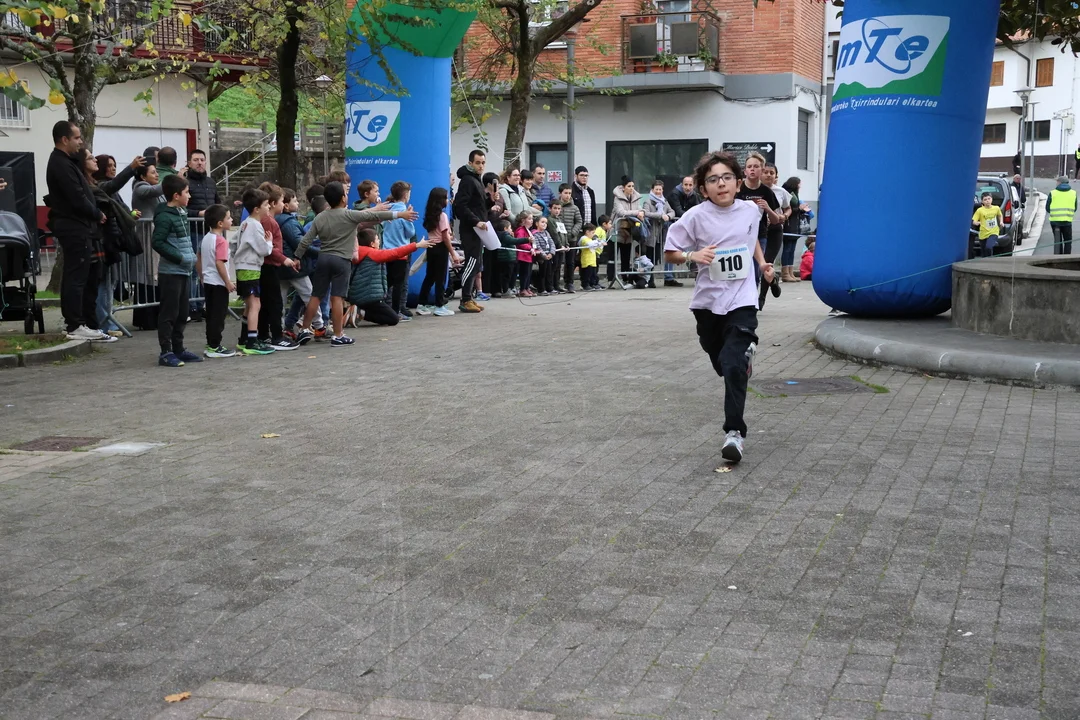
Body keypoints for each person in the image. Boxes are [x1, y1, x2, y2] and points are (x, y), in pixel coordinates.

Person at [663, 150, 775, 464]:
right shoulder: (695, 217)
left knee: (733, 363)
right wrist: (692, 256)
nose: (721, 184)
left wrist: (762, 263)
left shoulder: (751, 211)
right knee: (722, 363)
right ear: (703, 188)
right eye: (713, 180)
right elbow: (670, 251)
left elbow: (750, 239)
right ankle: (742, 361)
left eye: (727, 177)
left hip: (742, 299)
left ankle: (734, 433)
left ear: (738, 183)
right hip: (708, 304)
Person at [294, 181, 414, 346]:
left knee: (316, 296)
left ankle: (304, 329)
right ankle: (338, 335)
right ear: (343, 198)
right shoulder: (349, 215)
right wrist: (400, 215)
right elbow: (373, 216)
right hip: (341, 260)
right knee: (337, 298)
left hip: (323, 259)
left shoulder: (320, 217)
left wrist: (297, 257)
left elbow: (306, 240)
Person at [45, 121, 112, 343]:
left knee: (79, 276)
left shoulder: (65, 162)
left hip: (78, 225)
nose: (80, 142)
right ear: (64, 139)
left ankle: (79, 323)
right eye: (76, 138)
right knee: (76, 277)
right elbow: (76, 196)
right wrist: (96, 213)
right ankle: (75, 324)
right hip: (74, 226)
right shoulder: (60, 164)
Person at [86, 151, 141, 338]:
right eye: (108, 165)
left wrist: (130, 215)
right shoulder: (101, 186)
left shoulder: (110, 190)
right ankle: (104, 322)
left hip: (114, 241)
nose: (113, 168)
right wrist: (131, 169)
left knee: (111, 282)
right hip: (105, 241)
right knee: (105, 283)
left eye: (114, 165)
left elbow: (122, 208)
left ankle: (107, 320)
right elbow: (113, 185)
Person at [152, 174, 199, 367]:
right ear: (176, 195)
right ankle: (166, 351)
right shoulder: (165, 217)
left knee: (182, 312)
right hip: (171, 272)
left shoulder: (181, 212)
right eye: (187, 192)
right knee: (169, 313)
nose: (190, 196)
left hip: (184, 271)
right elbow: (157, 242)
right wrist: (180, 257)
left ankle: (178, 348)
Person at [348, 229, 437, 325]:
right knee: (393, 319)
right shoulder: (373, 254)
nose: (379, 241)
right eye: (377, 239)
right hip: (370, 297)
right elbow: (395, 253)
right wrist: (417, 245)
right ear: (372, 244)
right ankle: (360, 313)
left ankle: (355, 312)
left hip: (357, 296)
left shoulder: (357, 253)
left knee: (384, 315)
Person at [736, 152, 783, 308]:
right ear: (745, 171)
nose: (752, 169)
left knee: (756, 270)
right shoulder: (737, 189)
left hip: (759, 235)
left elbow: (776, 220)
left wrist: (768, 208)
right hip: (738, 235)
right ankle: (739, 301)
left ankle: (751, 303)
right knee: (741, 269)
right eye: (749, 166)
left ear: (761, 170)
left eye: (756, 166)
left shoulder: (766, 191)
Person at [256, 184, 300, 349]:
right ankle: (276, 336)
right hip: (269, 265)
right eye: (281, 201)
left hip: (268, 265)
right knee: (274, 303)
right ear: (273, 203)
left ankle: (264, 335)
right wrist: (284, 259)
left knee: (267, 303)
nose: (283, 204)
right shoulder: (268, 221)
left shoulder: (269, 220)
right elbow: (269, 247)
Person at [233, 188, 275, 355]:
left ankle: (244, 338)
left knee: (249, 305)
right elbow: (264, 249)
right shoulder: (255, 225)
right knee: (255, 305)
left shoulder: (245, 223)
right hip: (250, 267)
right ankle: (252, 341)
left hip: (243, 267)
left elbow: (233, 243)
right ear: (257, 209)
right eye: (266, 204)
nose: (269, 207)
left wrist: (237, 258)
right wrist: (269, 242)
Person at [278, 188, 325, 336]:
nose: (298, 203)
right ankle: (319, 325)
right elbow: (300, 243)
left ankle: (280, 329)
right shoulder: (288, 222)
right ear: (286, 205)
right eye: (295, 200)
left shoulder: (282, 220)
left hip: (281, 265)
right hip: (294, 265)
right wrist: (320, 252)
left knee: (280, 299)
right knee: (309, 295)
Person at [452, 150, 490, 314]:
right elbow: (461, 206)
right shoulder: (467, 180)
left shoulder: (477, 179)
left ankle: (469, 297)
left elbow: (478, 205)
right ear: (470, 163)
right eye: (477, 163)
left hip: (478, 229)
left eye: (483, 163)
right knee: (471, 263)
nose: (481, 166)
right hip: (471, 229)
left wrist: (491, 201)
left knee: (476, 264)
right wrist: (476, 221)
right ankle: (465, 299)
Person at [198, 204, 236, 358]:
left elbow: (198, 257)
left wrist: (201, 276)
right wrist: (228, 281)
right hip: (218, 283)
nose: (231, 220)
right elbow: (220, 262)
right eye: (228, 217)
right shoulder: (221, 241)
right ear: (220, 223)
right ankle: (215, 346)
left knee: (211, 313)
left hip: (208, 281)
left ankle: (211, 343)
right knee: (218, 316)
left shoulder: (206, 238)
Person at [417, 187, 461, 316]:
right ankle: (439, 305)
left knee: (430, 276)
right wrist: (453, 253)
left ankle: (421, 303)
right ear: (440, 200)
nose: (447, 200)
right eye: (446, 198)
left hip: (431, 247)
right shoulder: (443, 216)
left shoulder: (430, 215)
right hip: (440, 248)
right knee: (441, 278)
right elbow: (445, 237)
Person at [382, 181, 417, 320]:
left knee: (388, 281)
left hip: (386, 251)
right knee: (399, 284)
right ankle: (396, 311)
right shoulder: (405, 212)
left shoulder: (387, 210)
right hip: (401, 252)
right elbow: (410, 233)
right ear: (405, 195)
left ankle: (383, 306)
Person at [611, 176, 646, 288]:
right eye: (629, 186)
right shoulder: (617, 198)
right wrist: (637, 213)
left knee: (626, 257)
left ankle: (625, 278)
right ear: (623, 187)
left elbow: (640, 209)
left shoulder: (636, 197)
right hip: (617, 230)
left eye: (633, 186)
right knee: (613, 257)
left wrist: (642, 212)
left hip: (628, 231)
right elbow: (621, 212)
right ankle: (611, 279)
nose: (631, 188)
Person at [643, 179, 676, 288]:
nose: (658, 191)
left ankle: (651, 278)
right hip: (651, 234)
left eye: (660, 189)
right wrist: (660, 215)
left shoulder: (664, 201)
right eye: (656, 189)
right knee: (649, 257)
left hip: (660, 234)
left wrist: (668, 216)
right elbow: (646, 213)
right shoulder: (648, 201)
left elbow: (672, 211)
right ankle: (649, 279)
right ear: (652, 189)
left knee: (656, 257)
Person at [780, 177, 810, 282]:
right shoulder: (787, 194)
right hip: (788, 224)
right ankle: (785, 273)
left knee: (792, 249)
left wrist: (802, 210)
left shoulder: (795, 194)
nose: (800, 186)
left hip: (795, 224)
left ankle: (790, 272)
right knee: (787, 249)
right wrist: (799, 208)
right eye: (799, 184)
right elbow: (789, 209)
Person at [557, 184, 582, 293]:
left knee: (570, 262)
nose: (568, 195)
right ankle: (556, 282)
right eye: (565, 193)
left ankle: (569, 283)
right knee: (558, 262)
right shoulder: (557, 206)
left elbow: (579, 221)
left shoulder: (574, 208)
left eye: (569, 193)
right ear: (560, 193)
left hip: (571, 239)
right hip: (559, 239)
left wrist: (573, 232)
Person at [1047, 175, 1076, 255]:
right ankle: (1066, 258)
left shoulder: (1053, 193)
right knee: (1068, 241)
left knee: (1058, 241)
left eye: (1057, 181)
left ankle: (1058, 257)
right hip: (1067, 221)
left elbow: (1047, 208)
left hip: (1055, 221)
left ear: (1060, 182)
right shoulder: (1073, 193)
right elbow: (1075, 207)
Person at [972, 192, 1004, 257]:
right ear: (982, 201)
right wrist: (976, 223)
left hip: (994, 232)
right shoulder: (980, 210)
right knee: (984, 252)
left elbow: (1000, 215)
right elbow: (974, 220)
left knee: (988, 247)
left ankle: (990, 260)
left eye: (989, 199)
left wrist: (1001, 222)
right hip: (983, 234)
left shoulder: (996, 208)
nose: (987, 201)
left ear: (992, 199)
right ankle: (986, 261)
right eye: (985, 199)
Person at [513, 211, 537, 297]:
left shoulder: (528, 231)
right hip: (523, 256)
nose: (532, 221)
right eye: (529, 219)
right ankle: (523, 289)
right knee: (524, 273)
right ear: (523, 220)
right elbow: (520, 243)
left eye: (532, 219)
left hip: (528, 256)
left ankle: (526, 288)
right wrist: (529, 248)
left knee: (528, 273)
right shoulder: (520, 230)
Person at [532, 215, 557, 295]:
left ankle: (549, 287)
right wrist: (544, 255)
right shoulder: (535, 234)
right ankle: (541, 289)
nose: (544, 224)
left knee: (549, 273)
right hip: (541, 258)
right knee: (542, 273)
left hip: (549, 256)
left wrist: (551, 253)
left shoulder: (546, 233)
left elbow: (552, 243)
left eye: (546, 223)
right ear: (537, 223)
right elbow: (537, 246)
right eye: (542, 222)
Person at [578, 223, 602, 290]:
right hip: (586, 260)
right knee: (586, 274)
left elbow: (596, 246)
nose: (593, 234)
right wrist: (598, 242)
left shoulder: (590, 239)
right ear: (587, 232)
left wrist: (600, 243)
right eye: (592, 232)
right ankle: (585, 285)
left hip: (592, 261)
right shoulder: (584, 238)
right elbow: (590, 244)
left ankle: (592, 283)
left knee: (593, 273)